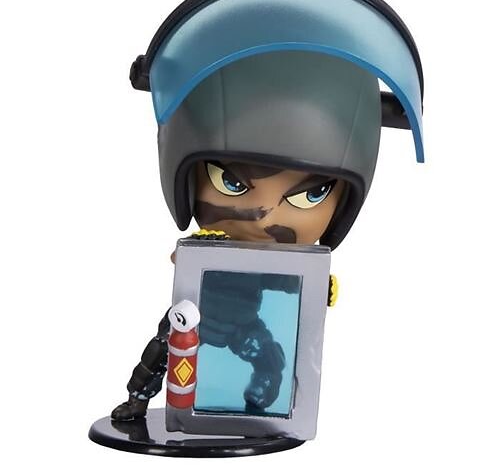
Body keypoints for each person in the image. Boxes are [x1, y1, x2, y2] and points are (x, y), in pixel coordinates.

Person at [111, 49, 382, 420]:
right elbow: (183, 260)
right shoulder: (209, 245)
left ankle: (257, 406)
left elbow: (282, 279)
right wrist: (203, 248)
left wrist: (318, 286)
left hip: (242, 325)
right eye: (231, 182)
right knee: (159, 354)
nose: (264, 214)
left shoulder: (272, 261)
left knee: (272, 360)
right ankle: (137, 399)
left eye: (310, 194)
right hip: (194, 318)